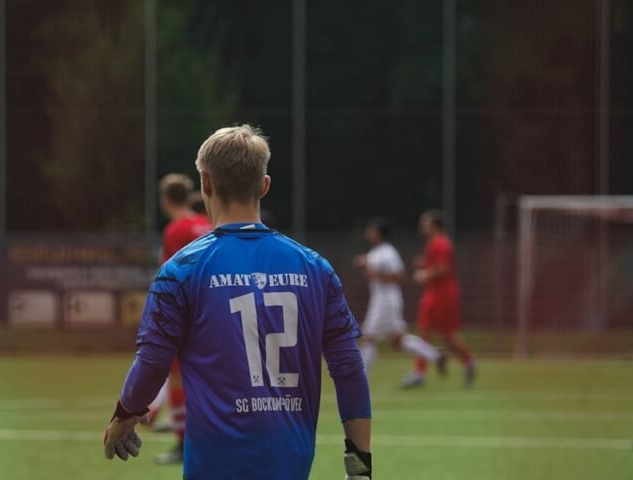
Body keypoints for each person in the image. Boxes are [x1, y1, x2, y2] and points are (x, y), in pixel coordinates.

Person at [103, 125, 373, 480]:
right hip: (290, 463)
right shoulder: (315, 268)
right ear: (264, 185)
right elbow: (349, 368)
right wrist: (360, 467)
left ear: (205, 183)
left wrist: (124, 415)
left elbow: (153, 363)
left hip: (214, 467)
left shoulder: (181, 270)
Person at [149, 173, 212, 464]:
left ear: (165, 200)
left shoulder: (175, 230)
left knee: (177, 376)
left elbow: (172, 276)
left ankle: (183, 443)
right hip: (213, 310)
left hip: (186, 312)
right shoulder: (206, 224)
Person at [353, 218, 443, 385]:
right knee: (398, 341)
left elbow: (401, 276)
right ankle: (436, 355)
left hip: (385, 301)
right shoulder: (377, 252)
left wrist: (374, 273)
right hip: (384, 299)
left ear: (379, 233)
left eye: (372, 230)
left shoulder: (388, 252)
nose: (369, 233)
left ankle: (359, 377)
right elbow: (370, 262)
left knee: (370, 337)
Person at [405, 210, 476, 388]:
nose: (422, 227)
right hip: (437, 293)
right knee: (428, 331)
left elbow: (443, 268)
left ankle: (466, 361)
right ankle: (421, 372)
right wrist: (424, 263)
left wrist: (425, 274)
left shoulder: (440, 243)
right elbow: (438, 264)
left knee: (445, 335)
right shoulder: (434, 243)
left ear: (435, 226)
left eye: (425, 224)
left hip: (442, 294)